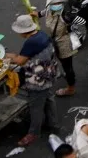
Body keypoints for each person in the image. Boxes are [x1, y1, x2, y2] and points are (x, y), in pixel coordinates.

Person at [6, 15, 59, 146]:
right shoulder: (42, 35)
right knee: (48, 98)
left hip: (37, 80)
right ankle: (53, 124)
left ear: (23, 31)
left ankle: (34, 133)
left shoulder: (31, 42)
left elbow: (20, 61)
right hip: (49, 74)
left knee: (36, 106)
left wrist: (8, 57)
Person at [40, 0, 77, 97]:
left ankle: (71, 88)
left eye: (57, 3)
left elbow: (81, 22)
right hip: (54, 42)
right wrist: (36, 14)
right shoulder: (49, 8)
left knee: (68, 67)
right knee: (59, 59)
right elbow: (44, 11)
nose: (55, 5)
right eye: (54, 3)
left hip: (64, 43)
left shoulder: (65, 14)